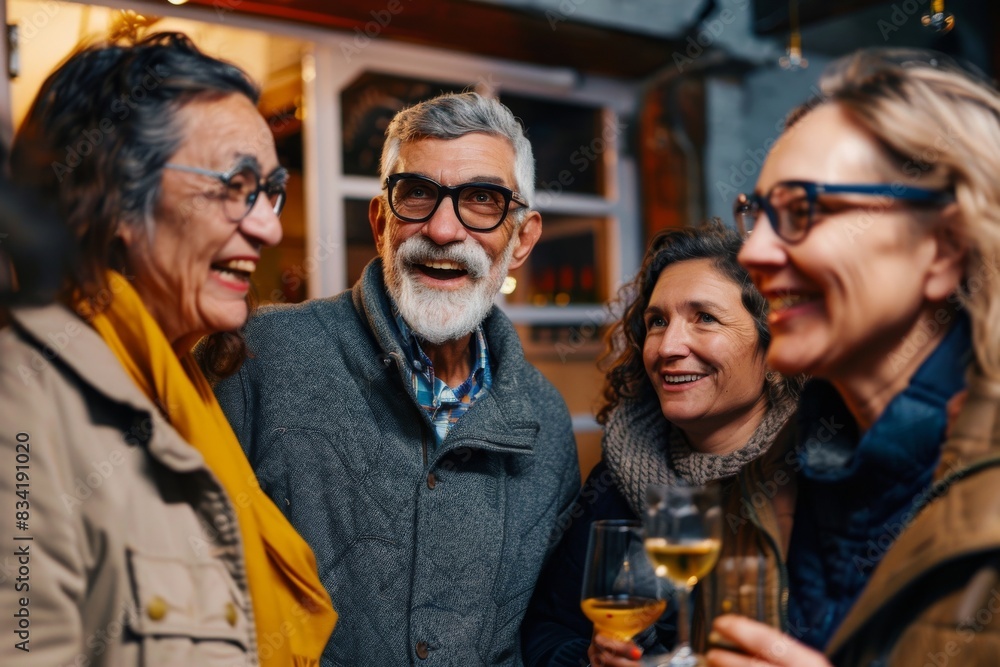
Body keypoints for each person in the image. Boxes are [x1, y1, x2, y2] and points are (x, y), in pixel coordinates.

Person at [0, 33, 336, 666]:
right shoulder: (22, 411)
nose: (268, 226)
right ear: (116, 197)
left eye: (272, 191)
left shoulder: (181, 393)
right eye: (236, 184)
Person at [213, 91, 581, 666]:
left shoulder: (546, 421)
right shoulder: (257, 357)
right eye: (417, 195)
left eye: (481, 200)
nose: (440, 230)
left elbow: (547, 631)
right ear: (382, 221)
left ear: (522, 238)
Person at [706, 48, 1000, 666]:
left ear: (944, 248)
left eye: (803, 209)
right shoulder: (789, 472)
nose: (753, 251)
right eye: (756, 214)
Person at [523, 221, 801, 667]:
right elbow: (544, 629)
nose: (669, 346)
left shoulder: (819, 472)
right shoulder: (616, 478)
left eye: (705, 318)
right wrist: (589, 658)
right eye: (657, 322)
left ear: (774, 348)